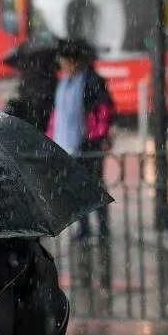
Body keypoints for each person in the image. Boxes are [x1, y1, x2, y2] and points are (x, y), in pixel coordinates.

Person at [47, 39, 114, 238]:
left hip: (89, 142)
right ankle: (83, 227)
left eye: (64, 60)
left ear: (74, 61)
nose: (62, 64)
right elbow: (57, 115)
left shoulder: (92, 81)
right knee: (76, 184)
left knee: (94, 184)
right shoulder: (64, 83)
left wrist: (100, 134)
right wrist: (50, 136)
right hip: (68, 144)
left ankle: (102, 228)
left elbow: (104, 110)